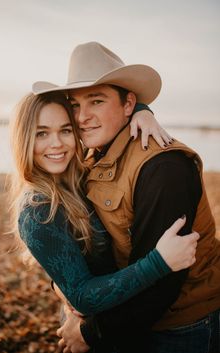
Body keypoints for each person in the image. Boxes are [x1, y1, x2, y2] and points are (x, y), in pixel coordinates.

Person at [33, 42, 220, 353]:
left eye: (96, 100)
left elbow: (163, 285)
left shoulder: (164, 168)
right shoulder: (93, 153)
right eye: (74, 104)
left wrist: (90, 334)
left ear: (128, 103)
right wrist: (66, 291)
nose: (82, 117)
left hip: (182, 328)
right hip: (126, 315)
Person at [8, 91, 199, 352]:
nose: (57, 144)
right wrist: (159, 262)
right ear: (23, 139)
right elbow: (83, 297)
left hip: (121, 317)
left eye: (65, 130)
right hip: (95, 322)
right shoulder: (37, 209)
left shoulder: (74, 175)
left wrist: (142, 111)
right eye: (41, 134)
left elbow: (107, 116)